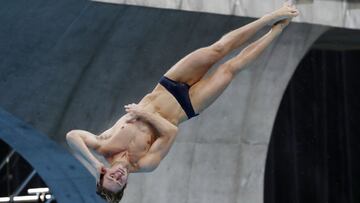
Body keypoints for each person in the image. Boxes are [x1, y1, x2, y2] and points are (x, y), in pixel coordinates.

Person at [66, 3, 299, 202]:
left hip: (168, 85)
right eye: (120, 182)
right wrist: (144, 114)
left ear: (104, 174)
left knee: (218, 49)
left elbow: (72, 136)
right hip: (188, 106)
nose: (118, 176)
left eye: (111, 178)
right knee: (231, 68)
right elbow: (170, 132)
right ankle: (276, 31)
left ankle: (269, 18)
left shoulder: (103, 146)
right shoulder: (145, 163)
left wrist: (94, 165)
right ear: (126, 184)